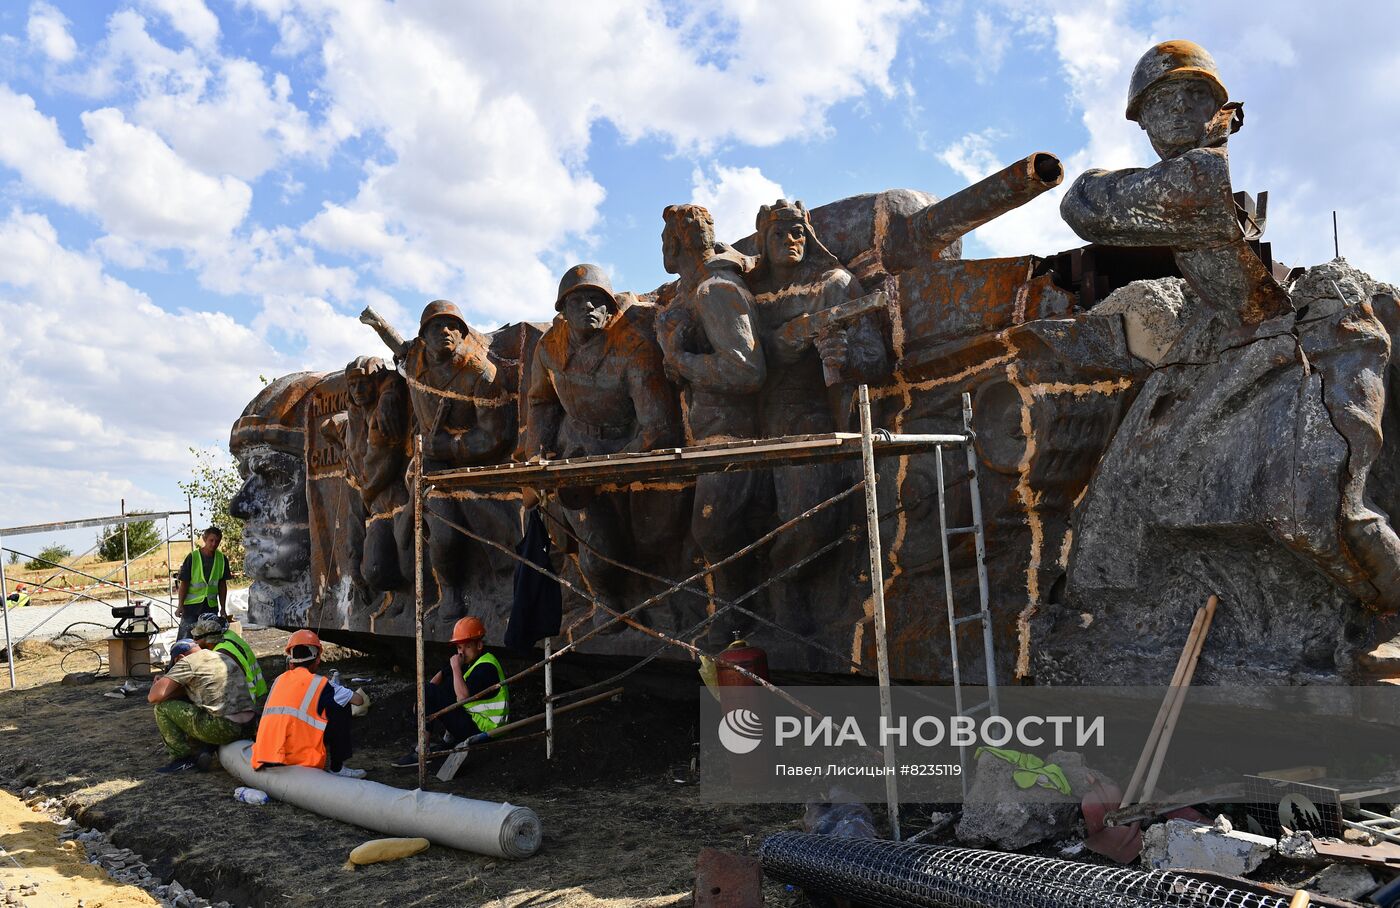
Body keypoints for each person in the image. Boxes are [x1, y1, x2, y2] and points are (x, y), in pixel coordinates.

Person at [392, 616, 508, 767]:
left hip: (485, 732)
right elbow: (436, 680)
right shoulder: (472, 661)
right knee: (439, 687)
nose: (462, 652)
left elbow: (462, 698)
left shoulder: (485, 667)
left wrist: (455, 668)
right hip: (477, 723)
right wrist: (422, 701)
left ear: (479, 645)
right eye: (459, 648)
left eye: (466, 647)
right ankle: (448, 740)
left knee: (443, 687)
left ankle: (422, 751)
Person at [252, 629, 366, 778]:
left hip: (266, 755)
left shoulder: (279, 680)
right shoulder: (320, 684)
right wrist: (338, 688)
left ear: (291, 660)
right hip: (297, 758)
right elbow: (359, 700)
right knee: (341, 708)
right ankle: (337, 768)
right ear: (317, 659)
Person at [147, 639, 255, 773]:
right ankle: (206, 748)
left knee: (162, 708)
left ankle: (182, 759)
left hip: (225, 727)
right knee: (204, 706)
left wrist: (160, 683)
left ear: (180, 657)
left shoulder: (188, 661)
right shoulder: (220, 655)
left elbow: (154, 697)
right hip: (251, 725)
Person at [189, 615, 268, 707]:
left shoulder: (221, 653)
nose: (194, 642)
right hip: (254, 693)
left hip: (243, 703)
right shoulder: (225, 640)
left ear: (208, 640)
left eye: (196, 638)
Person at [175, 527, 228, 639]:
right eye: (211, 540)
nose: (214, 544)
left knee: (208, 639)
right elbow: (184, 583)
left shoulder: (222, 559)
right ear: (204, 539)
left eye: (217, 541)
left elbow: (222, 585)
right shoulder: (193, 557)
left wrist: (223, 608)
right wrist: (180, 605)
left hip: (210, 607)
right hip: (191, 608)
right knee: (186, 638)